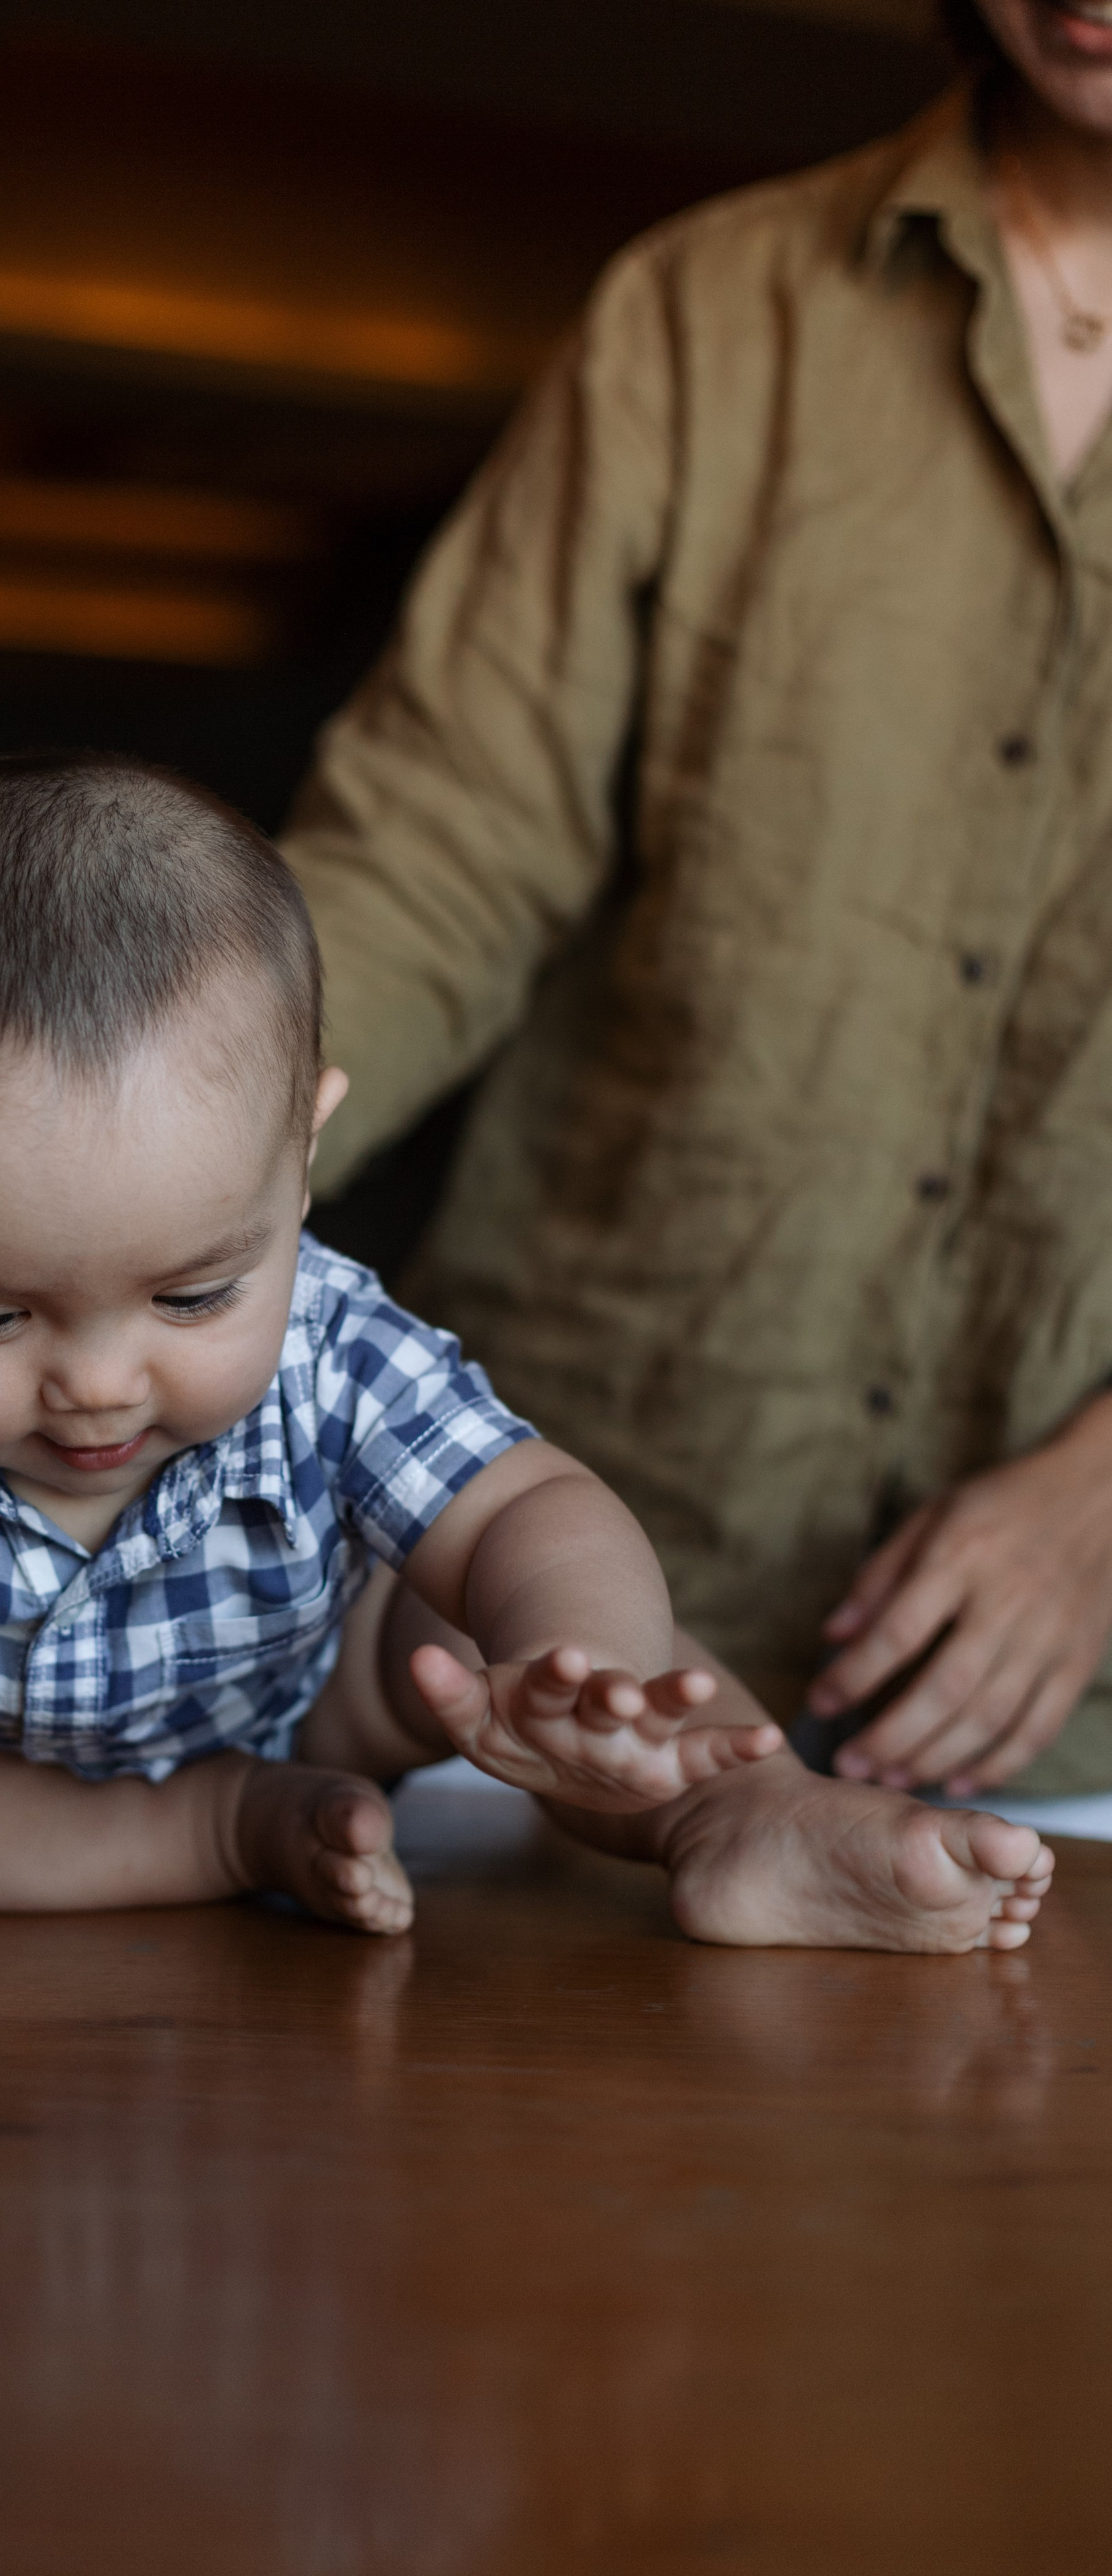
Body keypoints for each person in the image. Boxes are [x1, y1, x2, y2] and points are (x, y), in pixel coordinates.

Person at [0, 757, 1051, 2104]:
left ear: (300, 1158)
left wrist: (582, 1668)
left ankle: (731, 1819)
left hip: (316, 1695)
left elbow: (521, 1506)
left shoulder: (332, 1333)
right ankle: (217, 1834)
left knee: (450, 1620)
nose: (99, 1384)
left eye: (195, 1294)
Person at [283, 0, 1112, 1812]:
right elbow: (440, 842)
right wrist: (148, 1159)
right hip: (578, 1624)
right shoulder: (706, 312)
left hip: (1073, 1732)